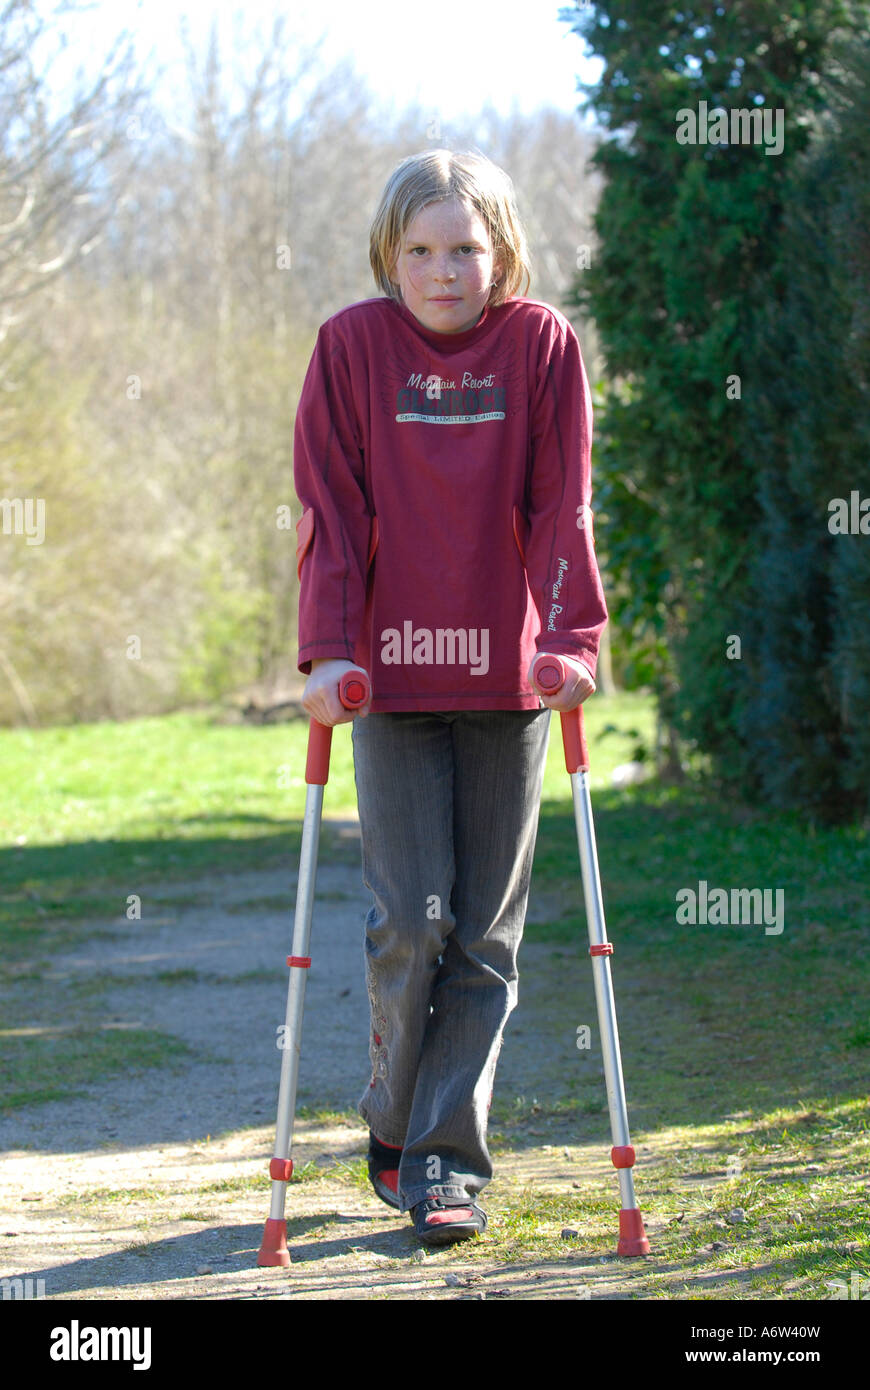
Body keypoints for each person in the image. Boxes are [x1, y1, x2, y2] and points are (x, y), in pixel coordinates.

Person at [294, 148, 608, 1246]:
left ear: (500, 249)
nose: (443, 270)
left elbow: (561, 505)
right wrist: (328, 650)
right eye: (421, 250)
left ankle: (442, 1162)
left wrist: (570, 637)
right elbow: (330, 508)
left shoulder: (541, 346)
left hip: (505, 678)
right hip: (388, 677)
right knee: (407, 924)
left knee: (483, 935)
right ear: (390, 254)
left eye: (464, 248)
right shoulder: (350, 348)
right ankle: (393, 1118)